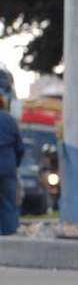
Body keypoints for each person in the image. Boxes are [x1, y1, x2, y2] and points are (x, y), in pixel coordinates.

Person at [0, 67, 24, 235]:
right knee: (9, 204)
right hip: (7, 167)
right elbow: (20, 147)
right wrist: (15, 163)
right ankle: (10, 238)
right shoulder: (9, 120)